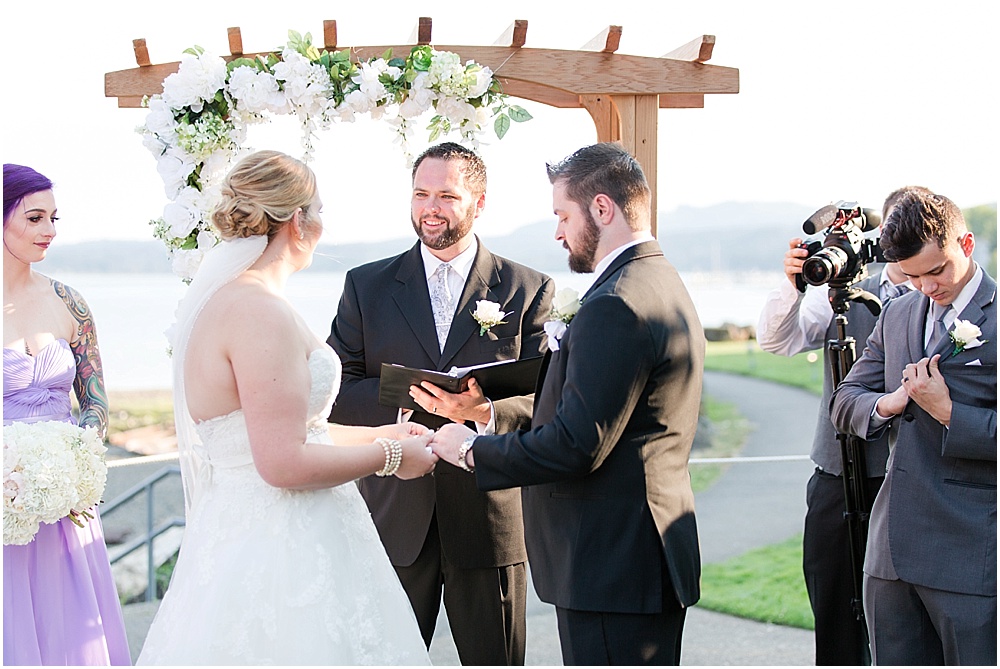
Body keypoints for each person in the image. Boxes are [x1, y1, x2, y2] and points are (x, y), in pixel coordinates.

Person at [136, 150, 436, 665]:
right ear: (298, 220)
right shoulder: (258, 312)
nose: (321, 222)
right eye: (318, 209)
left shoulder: (233, 300)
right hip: (281, 550)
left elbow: (297, 432)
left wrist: (379, 434)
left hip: (251, 530)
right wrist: (390, 457)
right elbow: (282, 463)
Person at [431, 142, 705, 665]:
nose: (557, 232)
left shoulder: (617, 304)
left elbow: (577, 445)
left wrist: (470, 449)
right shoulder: (658, 280)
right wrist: (488, 416)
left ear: (602, 209)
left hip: (611, 564)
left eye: (563, 215)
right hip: (637, 555)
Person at [327, 141, 554, 665]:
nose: (431, 207)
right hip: (394, 517)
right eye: (421, 193)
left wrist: (479, 413)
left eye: (447, 195)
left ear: (479, 202)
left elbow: (546, 399)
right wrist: (418, 397)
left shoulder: (527, 289)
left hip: (489, 519)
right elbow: (336, 388)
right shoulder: (366, 286)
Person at [756, 187, 922, 665]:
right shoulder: (844, 293)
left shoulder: (938, 297)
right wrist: (794, 284)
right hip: (837, 473)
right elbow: (776, 341)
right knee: (833, 605)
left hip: (909, 475)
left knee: (906, 617)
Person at [830, 189, 996, 666]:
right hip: (890, 553)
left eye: (937, 270)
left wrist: (949, 413)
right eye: (913, 274)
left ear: (966, 244)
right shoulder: (898, 312)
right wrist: (890, 402)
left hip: (971, 553)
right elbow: (845, 401)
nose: (926, 286)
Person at [2, 163, 131, 666]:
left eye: (54, 218)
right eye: (34, 218)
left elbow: (95, 398)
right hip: (2, 502)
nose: (49, 231)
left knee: (70, 634)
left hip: (64, 504)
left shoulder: (69, 303)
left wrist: (80, 455)